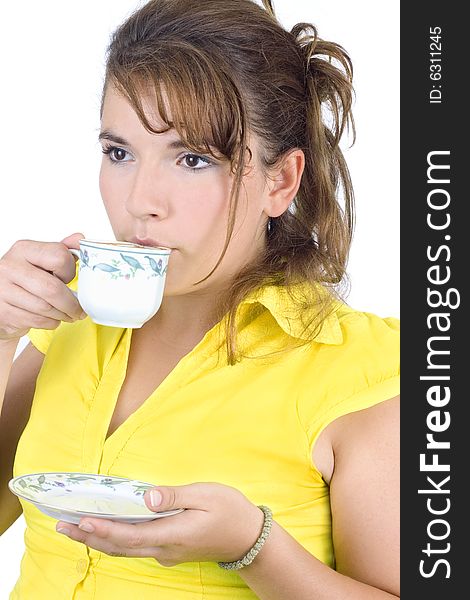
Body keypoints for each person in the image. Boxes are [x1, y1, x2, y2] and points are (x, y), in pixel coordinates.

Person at [0, 0, 399, 598]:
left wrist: (253, 548)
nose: (141, 200)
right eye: (119, 152)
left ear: (279, 181)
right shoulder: (67, 323)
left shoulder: (360, 369)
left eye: (192, 159)